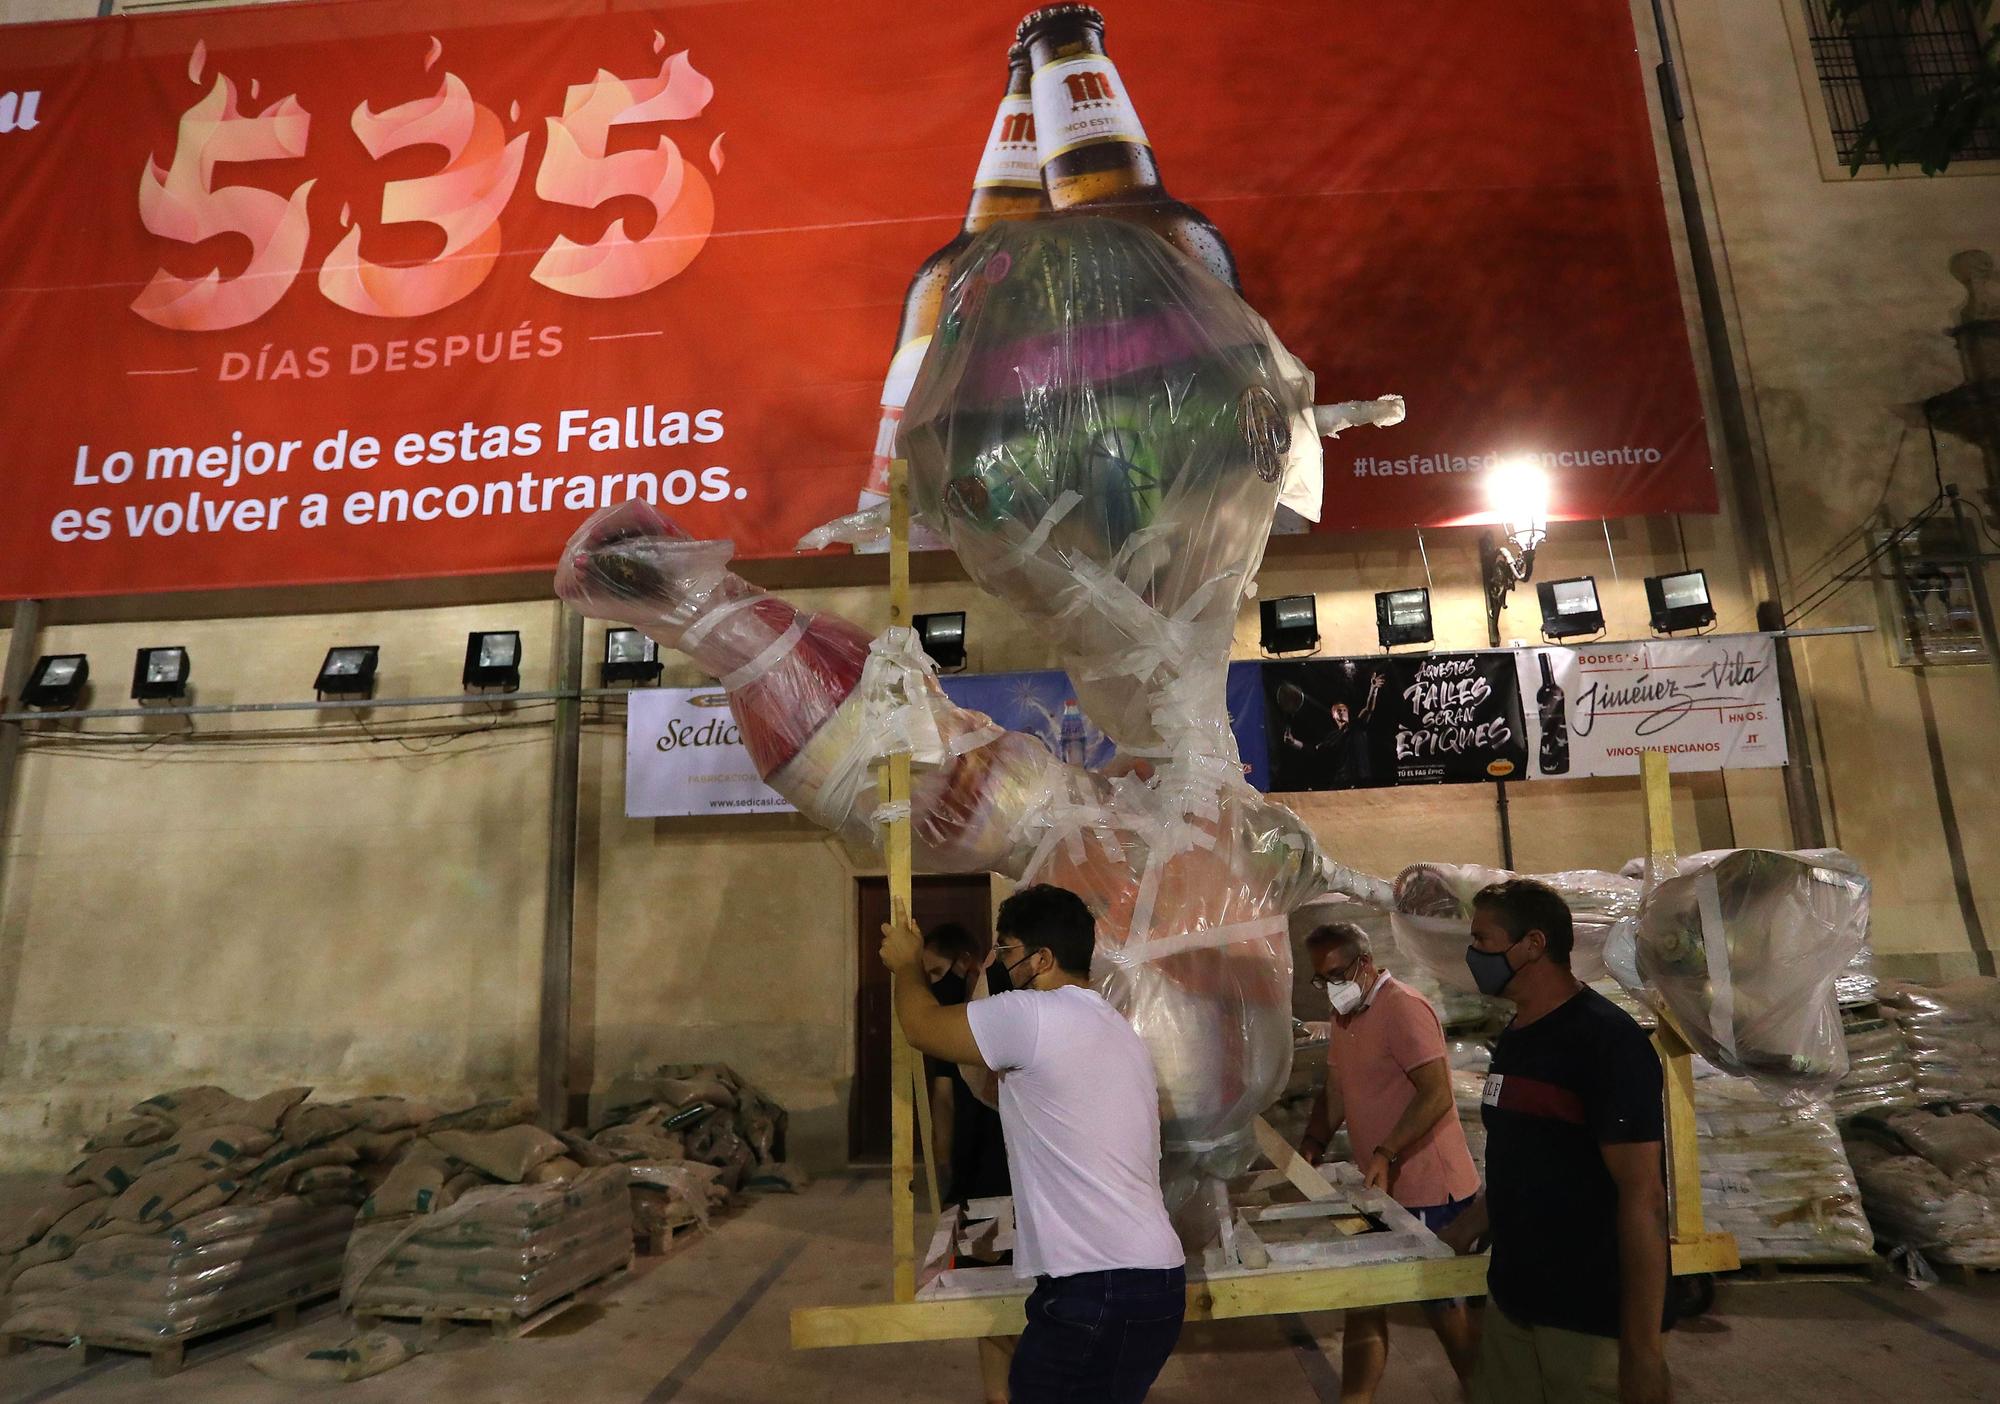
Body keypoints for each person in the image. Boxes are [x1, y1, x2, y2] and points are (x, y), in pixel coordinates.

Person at [880, 883, 1186, 1404]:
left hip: (1096, 1284)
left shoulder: (1034, 1016)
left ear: (1042, 958)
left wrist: (906, 966)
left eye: (1006, 950)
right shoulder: (1112, 1026)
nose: (995, 964)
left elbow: (922, 1026)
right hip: (1153, 1281)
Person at [1437, 879, 1672, 1404]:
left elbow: (1644, 1201)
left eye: (1484, 939)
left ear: (1534, 945)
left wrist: (1641, 1351)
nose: (1474, 955)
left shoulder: (1606, 1042)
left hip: (1586, 1319)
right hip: (1514, 1303)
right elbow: (1529, 1159)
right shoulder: (1518, 1035)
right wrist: (1465, 1228)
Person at [1295, 921, 1481, 1401]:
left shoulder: (1403, 1008)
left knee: (1442, 1303)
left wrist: (1385, 1151)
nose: (1332, 987)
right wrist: (1314, 1139)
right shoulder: (1346, 1017)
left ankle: (1486, 1392)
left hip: (1427, 1186)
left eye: (1339, 974)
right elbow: (1337, 1091)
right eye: (1323, 979)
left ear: (1366, 962)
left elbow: (1437, 1093)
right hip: (1376, 1189)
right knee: (1363, 1293)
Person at [920, 921, 1016, 1403]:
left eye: (937, 971)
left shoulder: (959, 1015)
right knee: (999, 1294)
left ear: (964, 962)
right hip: (1007, 1177)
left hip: (986, 1179)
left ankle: (1002, 1395)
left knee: (991, 1296)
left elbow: (944, 1101)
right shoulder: (1017, 1005)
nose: (934, 983)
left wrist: (943, 1169)